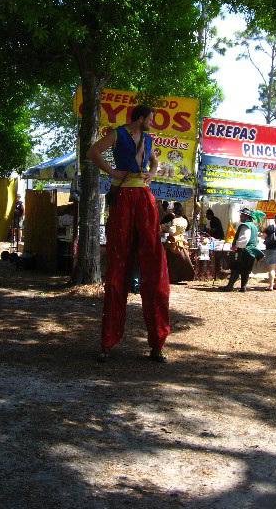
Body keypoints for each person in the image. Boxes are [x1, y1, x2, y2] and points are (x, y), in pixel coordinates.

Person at [87, 104, 170, 363]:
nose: (153, 123)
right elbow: (93, 152)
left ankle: (158, 343)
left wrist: (152, 174)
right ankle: (108, 341)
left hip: (143, 199)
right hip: (122, 197)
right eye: (151, 119)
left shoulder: (148, 139)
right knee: (117, 269)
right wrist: (112, 172)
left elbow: (155, 161)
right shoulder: (116, 133)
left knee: (154, 266)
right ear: (141, 118)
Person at [222, 208, 262, 292]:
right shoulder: (254, 226)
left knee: (236, 268)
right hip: (252, 251)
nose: (240, 216)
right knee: (246, 270)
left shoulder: (245, 226)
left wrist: (235, 245)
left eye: (242, 215)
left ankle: (230, 286)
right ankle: (243, 287)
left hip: (245, 250)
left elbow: (244, 239)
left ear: (246, 216)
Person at [161, 203, 194, 284]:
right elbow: (184, 229)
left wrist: (165, 227)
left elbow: (172, 232)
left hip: (173, 241)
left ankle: (173, 277)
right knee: (181, 261)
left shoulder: (174, 220)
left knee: (172, 261)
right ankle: (180, 276)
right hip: (181, 241)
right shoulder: (184, 220)